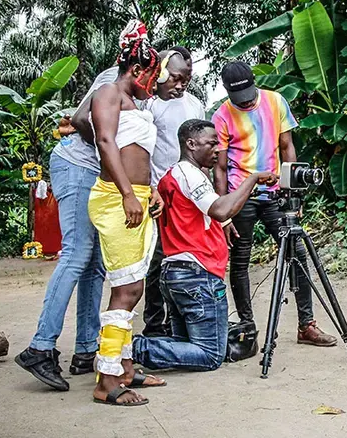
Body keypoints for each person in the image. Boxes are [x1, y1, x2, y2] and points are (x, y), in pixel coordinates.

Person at [14, 21, 148, 391]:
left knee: (95, 266)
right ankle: (40, 348)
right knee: (76, 254)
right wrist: (107, 152)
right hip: (77, 165)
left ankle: (87, 349)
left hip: (97, 175)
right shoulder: (112, 79)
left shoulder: (141, 88)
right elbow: (77, 120)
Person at [132, 119, 276, 370]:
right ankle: (132, 348)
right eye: (211, 144)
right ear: (191, 143)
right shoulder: (189, 174)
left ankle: (128, 349)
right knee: (210, 354)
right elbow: (220, 210)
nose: (217, 150)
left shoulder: (172, 176)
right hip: (197, 274)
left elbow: (204, 215)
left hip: (176, 274)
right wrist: (251, 179)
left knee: (185, 343)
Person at [212, 61, 337, 347]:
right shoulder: (221, 116)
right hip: (240, 196)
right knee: (240, 262)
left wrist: (292, 190)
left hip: (274, 195)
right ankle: (248, 327)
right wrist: (225, 214)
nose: (246, 102)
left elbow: (286, 147)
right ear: (228, 93)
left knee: (298, 255)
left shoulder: (275, 101)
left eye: (249, 95)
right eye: (239, 98)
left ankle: (307, 325)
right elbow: (219, 168)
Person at [83, 37, 167, 406]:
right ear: (136, 70)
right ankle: (107, 380)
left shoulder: (133, 101)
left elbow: (140, 154)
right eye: (151, 74)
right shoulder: (107, 93)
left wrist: (151, 192)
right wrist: (128, 194)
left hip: (138, 196)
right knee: (126, 290)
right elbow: (104, 140)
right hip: (119, 198)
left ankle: (126, 367)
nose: (154, 82)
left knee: (135, 287)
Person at [142, 47, 206, 338]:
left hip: (189, 194)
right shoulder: (150, 105)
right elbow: (143, 151)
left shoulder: (195, 105)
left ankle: (180, 322)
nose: (181, 85)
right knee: (157, 259)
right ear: (162, 73)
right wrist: (149, 189)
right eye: (177, 78)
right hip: (159, 194)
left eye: (186, 79)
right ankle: (154, 323)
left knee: (186, 257)